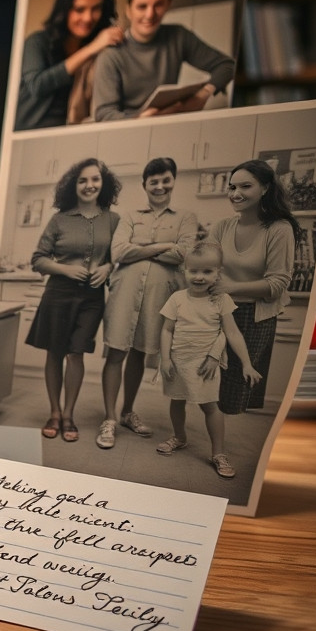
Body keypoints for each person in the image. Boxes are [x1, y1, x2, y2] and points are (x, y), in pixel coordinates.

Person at [196, 159, 300, 478]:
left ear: (266, 188)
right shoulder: (223, 226)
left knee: (232, 390)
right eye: (232, 186)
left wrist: (233, 286)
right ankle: (208, 446)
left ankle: (221, 452)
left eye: (245, 186)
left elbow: (278, 282)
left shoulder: (279, 229)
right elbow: (208, 266)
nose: (235, 193)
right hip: (218, 309)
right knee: (201, 381)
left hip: (254, 316)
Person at [97, 157, 198, 449]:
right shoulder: (129, 216)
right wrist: (165, 246)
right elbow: (118, 253)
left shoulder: (186, 217)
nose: (160, 186)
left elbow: (185, 255)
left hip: (159, 298)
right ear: (144, 185)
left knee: (140, 353)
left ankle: (128, 411)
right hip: (124, 294)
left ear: (173, 182)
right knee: (116, 353)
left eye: (166, 180)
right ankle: (109, 418)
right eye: (153, 181)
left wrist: (140, 250)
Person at [27, 158, 121, 443]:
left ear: (103, 184)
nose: (89, 185)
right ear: (74, 185)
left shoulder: (114, 220)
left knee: (76, 353)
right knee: (54, 352)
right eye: (83, 180)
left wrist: (108, 267)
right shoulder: (59, 219)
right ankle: (54, 413)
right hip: (58, 293)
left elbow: (121, 256)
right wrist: (66, 268)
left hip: (92, 297)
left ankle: (69, 415)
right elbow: (38, 259)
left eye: (95, 179)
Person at [157, 240, 262, 479]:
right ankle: (180, 437)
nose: (199, 277)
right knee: (177, 400)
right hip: (178, 359)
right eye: (193, 271)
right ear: (185, 271)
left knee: (210, 406)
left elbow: (232, 332)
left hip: (206, 363)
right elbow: (166, 331)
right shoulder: (177, 298)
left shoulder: (221, 300)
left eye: (207, 271)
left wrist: (247, 363)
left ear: (218, 273)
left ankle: (218, 453)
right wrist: (165, 360)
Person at [92, 0, 236, 121]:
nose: (150, 14)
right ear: (128, 10)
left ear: (168, 3)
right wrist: (139, 118)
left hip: (170, 123)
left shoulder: (179, 36)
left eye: (158, 5)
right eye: (142, 6)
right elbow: (104, 115)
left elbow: (227, 65)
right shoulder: (111, 55)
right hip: (129, 132)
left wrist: (203, 94)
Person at [15, 0, 123, 130]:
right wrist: (91, 49)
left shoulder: (103, 47)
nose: (88, 18)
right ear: (65, 11)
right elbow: (37, 86)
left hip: (72, 130)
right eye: (80, 9)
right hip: (30, 130)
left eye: (96, 9)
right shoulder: (37, 42)